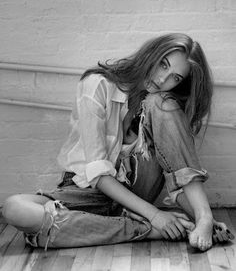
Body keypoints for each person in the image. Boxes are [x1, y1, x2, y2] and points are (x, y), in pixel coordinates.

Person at [2, 33, 234, 252]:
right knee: (15, 208)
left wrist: (204, 220)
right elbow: (98, 176)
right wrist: (155, 216)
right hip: (86, 191)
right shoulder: (97, 84)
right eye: (163, 64)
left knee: (162, 103)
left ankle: (195, 217)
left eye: (176, 77)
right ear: (151, 54)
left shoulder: (159, 105)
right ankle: (144, 230)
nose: (164, 79)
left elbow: (175, 177)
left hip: (136, 193)